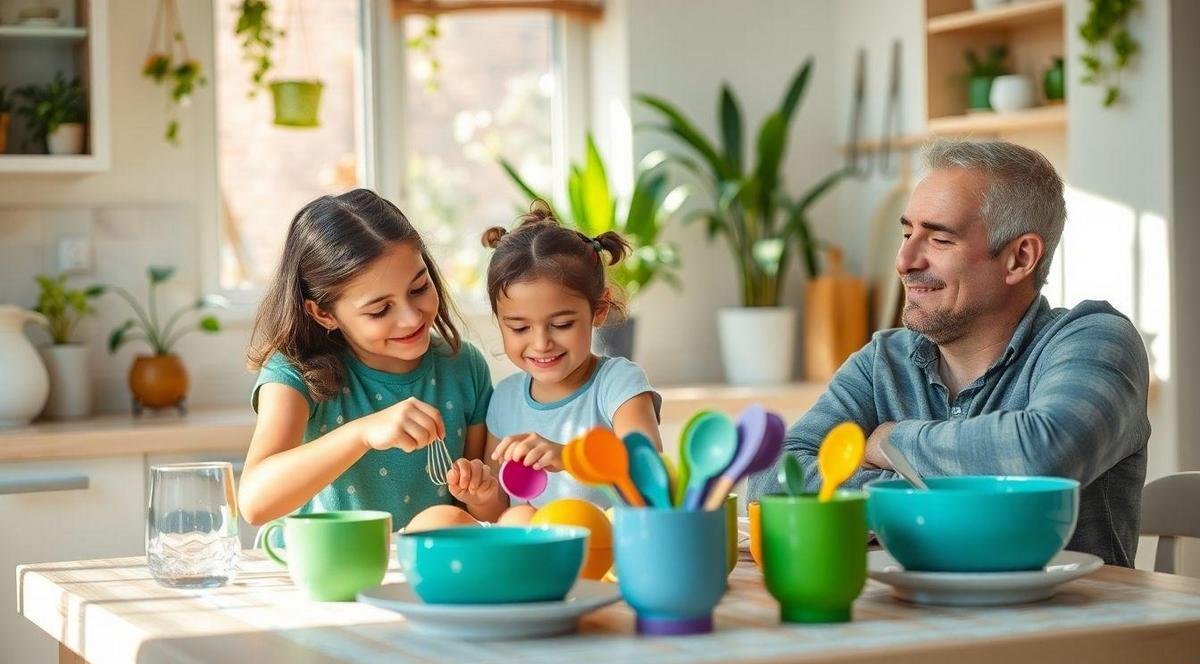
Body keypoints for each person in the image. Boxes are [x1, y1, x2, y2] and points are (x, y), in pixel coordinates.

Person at [747, 140, 1150, 567]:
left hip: (1070, 626)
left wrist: (890, 442)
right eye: (906, 234)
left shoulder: (1095, 340)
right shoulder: (884, 361)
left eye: (938, 239)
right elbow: (774, 478)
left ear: (1020, 257)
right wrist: (911, 490)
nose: (903, 260)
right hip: (912, 621)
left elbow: (1041, 455)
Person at [239, 188, 505, 533]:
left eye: (419, 288)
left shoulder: (462, 366)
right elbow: (254, 502)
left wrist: (480, 495)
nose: (411, 318)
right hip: (326, 573)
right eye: (380, 309)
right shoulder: (294, 373)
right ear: (323, 313)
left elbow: (480, 513)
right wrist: (362, 433)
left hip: (424, 573)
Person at [482, 202, 663, 507]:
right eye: (519, 328)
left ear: (600, 310)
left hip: (609, 548)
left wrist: (569, 457)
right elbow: (498, 509)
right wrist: (480, 493)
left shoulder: (618, 384)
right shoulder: (504, 399)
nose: (541, 343)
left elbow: (649, 474)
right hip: (536, 551)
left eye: (562, 324)